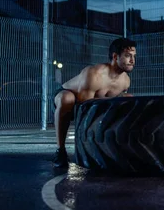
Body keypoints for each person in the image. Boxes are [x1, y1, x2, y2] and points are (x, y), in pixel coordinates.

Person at [52, 37, 137, 168]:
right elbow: (84, 104)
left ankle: (119, 147)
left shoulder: (125, 81)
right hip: (70, 98)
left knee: (129, 98)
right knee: (67, 98)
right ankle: (60, 151)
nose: (132, 60)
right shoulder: (94, 74)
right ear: (115, 57)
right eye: (127, 56)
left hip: (95, 103)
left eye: (133, 56)